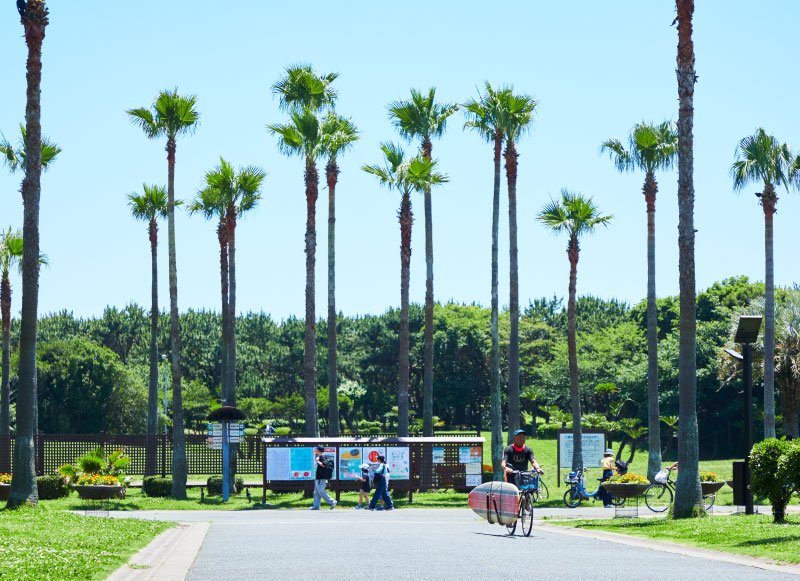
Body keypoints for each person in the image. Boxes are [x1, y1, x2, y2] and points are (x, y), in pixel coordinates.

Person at [310, 446, 337, 510]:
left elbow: (323, 465)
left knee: (321, 491)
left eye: (316, 450)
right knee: (316, 492)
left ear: (319, 451)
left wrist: (317, 461)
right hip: (319, 477)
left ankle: (332, 502)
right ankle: (316, 506)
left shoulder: (322, 457)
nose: (315, 451)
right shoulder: (324, 456)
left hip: (321, 478)